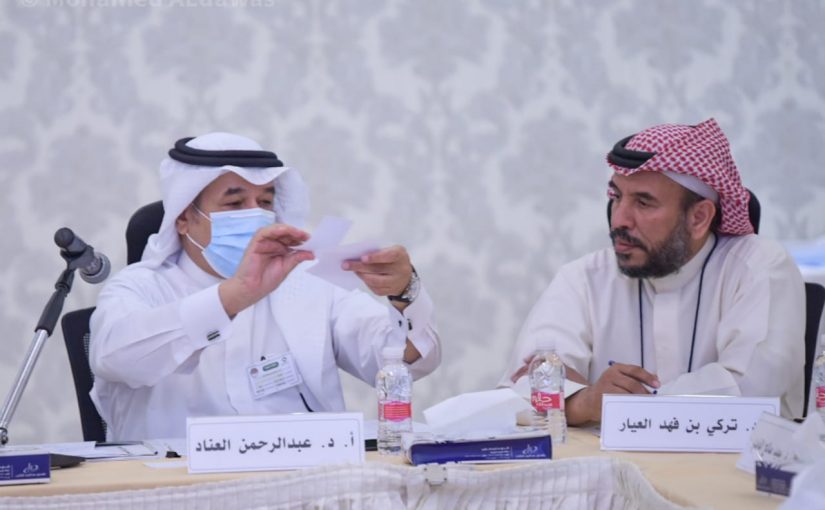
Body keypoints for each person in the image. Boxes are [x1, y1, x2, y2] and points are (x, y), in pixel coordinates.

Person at [89, 132, 441, 440]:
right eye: (235, 203)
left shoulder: (307, 282)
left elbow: (404, 361)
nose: (255, 214)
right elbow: (114, 359)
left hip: (303, 478)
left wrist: (404, 293)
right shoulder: (138, 288)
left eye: (266, 202)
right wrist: (235, 295)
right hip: (178, 482)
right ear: (183, 218)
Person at [501, 118, 805, 422]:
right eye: (616, 197)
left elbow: (750, 391)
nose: (619, 219)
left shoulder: (758, 268)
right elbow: (518, 390)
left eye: (643, 203)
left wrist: (609, 402)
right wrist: (585, 402)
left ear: (699, 217)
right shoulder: (585, 277)